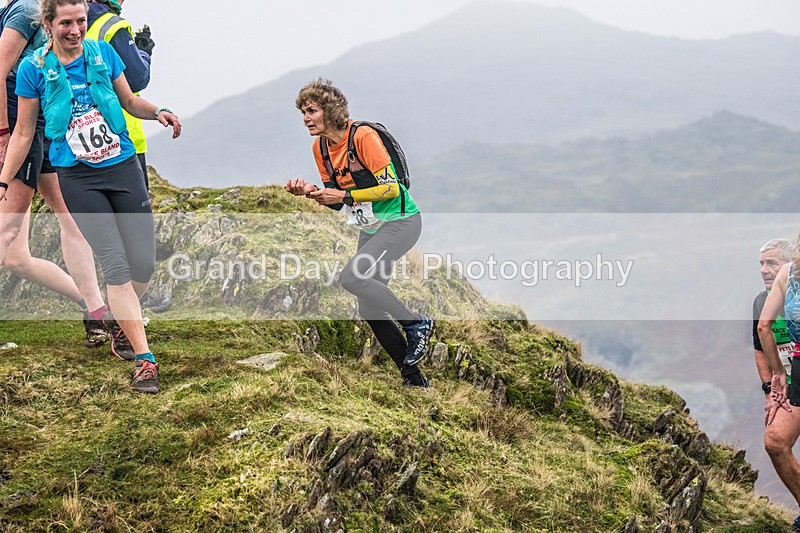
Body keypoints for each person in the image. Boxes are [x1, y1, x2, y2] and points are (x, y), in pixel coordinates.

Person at [0, 0, 181, 393]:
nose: (75, 30)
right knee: (115, 265)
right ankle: (144, 360)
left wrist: (160, 112)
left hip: (122, 166)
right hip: (76, 175)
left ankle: (119, 316)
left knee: (142, 264)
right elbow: (25, 133)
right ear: (48, 24)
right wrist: (3, 179)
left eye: (80, 21)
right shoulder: (34, 69)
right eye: (66, 22)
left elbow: (130, 101)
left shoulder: (102, 53)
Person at [285, 78, 433, 388]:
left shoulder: (362, 136)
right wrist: (312, 192)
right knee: (368, 306)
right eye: (302, 113)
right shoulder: (320, 147)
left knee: (351, 278)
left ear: (330, 110)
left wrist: (345, 197)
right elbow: (337, 200)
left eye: (311, 111)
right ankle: (414, 379)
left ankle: (416, 323)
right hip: (370, 226)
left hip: (401, 221)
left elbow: (392, 187)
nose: (306, 118)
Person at [0, 0, 108, 349]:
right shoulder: (27, 9)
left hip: (44, 119)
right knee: (6, 230)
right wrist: (4, 134)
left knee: (26, 250)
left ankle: (97, 312)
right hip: (20, 124)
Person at [757, 234, 800, 530]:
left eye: (770, 262)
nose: (763, 270)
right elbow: (762, 339)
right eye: (761, 263)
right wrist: (771, 387)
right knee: (775, 440)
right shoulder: (764, 300)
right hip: (793, 375)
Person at [86, 0, 153, 187]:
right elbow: (137, 79)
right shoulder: (112, 24)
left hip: (81, 135)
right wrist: (144, 53)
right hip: (122, 134)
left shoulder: (65, 21)